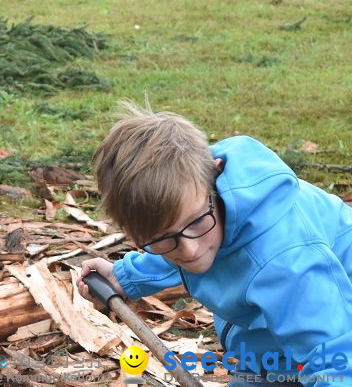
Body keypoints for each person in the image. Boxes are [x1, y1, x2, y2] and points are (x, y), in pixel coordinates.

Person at [76, 101, 352, 383]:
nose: (191, 249)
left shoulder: (284, 258)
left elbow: (336, 359)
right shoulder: (203, 211)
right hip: (269, 342)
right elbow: (181, 241)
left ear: (214, 175)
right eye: (162, 240)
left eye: (196, 223)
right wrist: (125, 277)